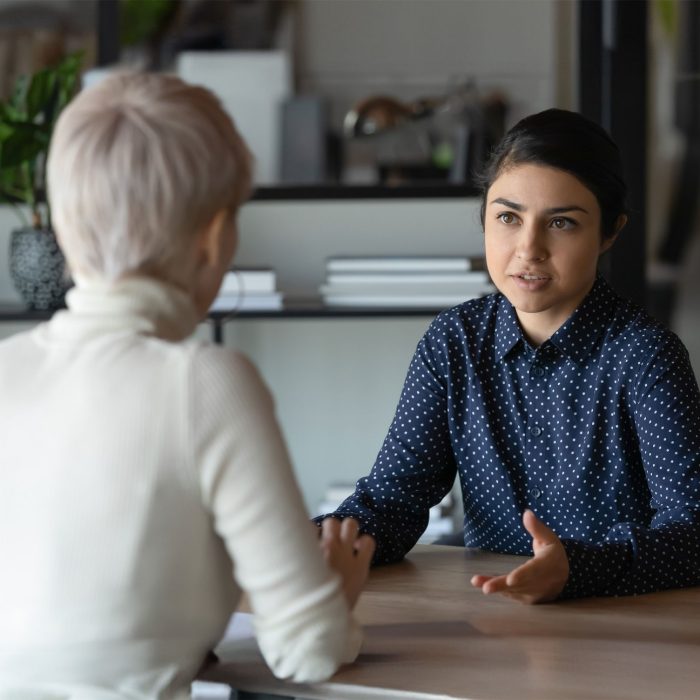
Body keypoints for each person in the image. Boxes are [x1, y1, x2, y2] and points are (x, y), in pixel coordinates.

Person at [0, 72, 374, 699]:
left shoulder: (8, 367)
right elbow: (306, 650)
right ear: (215, 237)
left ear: (62, 229)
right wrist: (336, 593)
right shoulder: (206, 382)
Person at [317, 108, 700, 604]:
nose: (529, 248)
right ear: (484, 219)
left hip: (619, 615)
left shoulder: (645, 355)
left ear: (609, 233)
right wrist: (311, 543)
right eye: (508, 217)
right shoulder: (453, 340)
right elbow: (394, 502)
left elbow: (692, 533)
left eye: (561, 223)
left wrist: (577, 569)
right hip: (492, 610)